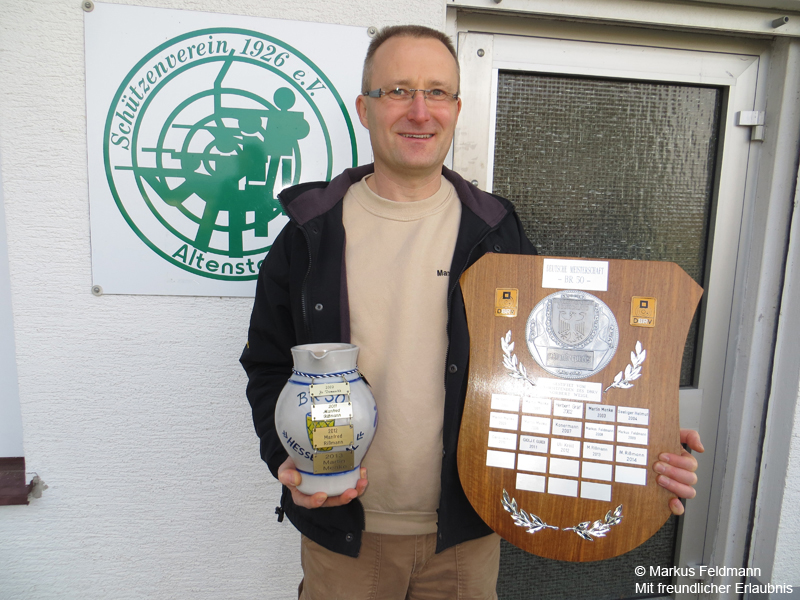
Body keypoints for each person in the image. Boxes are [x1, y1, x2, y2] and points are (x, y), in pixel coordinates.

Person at [240, 24, 704, 600]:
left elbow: (552, 371)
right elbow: (268, 365)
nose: (419, 111)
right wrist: (284, 458)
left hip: (468, 534)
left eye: (437, 92)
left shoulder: (496, 231)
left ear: (457, 109)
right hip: (344, 534)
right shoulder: (309, 233)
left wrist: (638, 432)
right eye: (398, 91)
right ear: (364, 108)